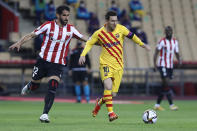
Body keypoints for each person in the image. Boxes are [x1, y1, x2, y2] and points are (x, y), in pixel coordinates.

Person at [9, 5, 87, 123]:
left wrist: (102, 41)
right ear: (58, 15)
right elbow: (31, 34)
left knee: (53, 85)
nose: (66, 18)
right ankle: (31, 85)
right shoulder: (48, 25)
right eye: (64, 15)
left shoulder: (71, 29)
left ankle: (45, 114)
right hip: (43, 61)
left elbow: (86, 38)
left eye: (68, 15)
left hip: (57, 64)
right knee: (35, 87)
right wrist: (19, 43)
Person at [79, 11, 150, 122]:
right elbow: (89, 43)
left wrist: (142, 44)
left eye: (116, 20)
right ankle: (111, 113)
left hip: (118, 65)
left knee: (113, 94)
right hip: (105, 64)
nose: (115, 23)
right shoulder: (99, 33)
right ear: (107, 21)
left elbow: (132, 36)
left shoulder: (121, 29)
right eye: (112, 21)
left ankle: (99, 102)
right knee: (108, 86)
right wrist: (83, 54)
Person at [153, 26, 182, 111]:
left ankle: (157, 105)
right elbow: (156, 53)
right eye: (167, 31)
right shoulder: (162, 41)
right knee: (166, 83)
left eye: (170, 31)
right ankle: (171, 104)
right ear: (164, 32)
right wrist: (154, 65)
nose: (168, 32)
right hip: (162, 65)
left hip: (170, 66)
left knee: (164, 86)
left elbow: (176, 52)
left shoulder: (175, 42)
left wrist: (179, 60)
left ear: (172, 32)